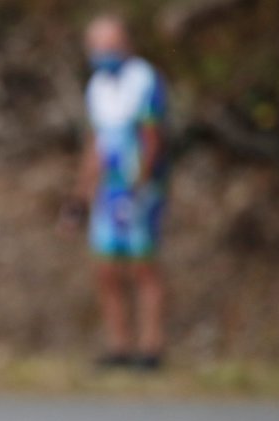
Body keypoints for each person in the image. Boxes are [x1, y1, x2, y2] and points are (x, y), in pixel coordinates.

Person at [61, 14, 169, 370]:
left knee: (142, 267)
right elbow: (96, 145)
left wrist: (141, 184)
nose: (103, 53)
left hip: (138, 186)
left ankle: (151, 348)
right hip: (108, 191)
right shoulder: (97, 86)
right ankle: (119, 346)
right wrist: (81, 196)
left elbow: (153, 136)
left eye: (109, 45)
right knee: (106, 268)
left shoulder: (144, 79)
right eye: (97, 47)